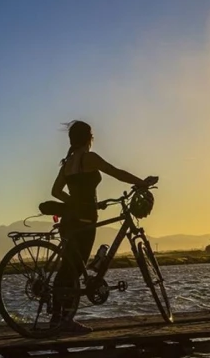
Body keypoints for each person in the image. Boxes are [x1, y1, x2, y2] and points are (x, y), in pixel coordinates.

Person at [49, 120, 156, 331]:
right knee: (72, 270)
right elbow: (115, 172)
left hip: (71, 220)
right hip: (86, 220)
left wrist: (76, 202)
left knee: (69, 269)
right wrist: (142, 182)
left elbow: (56, 192)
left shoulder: (68, 162)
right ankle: (64, 321)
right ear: (89, 138)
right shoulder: (88, 158)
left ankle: (57, 319)